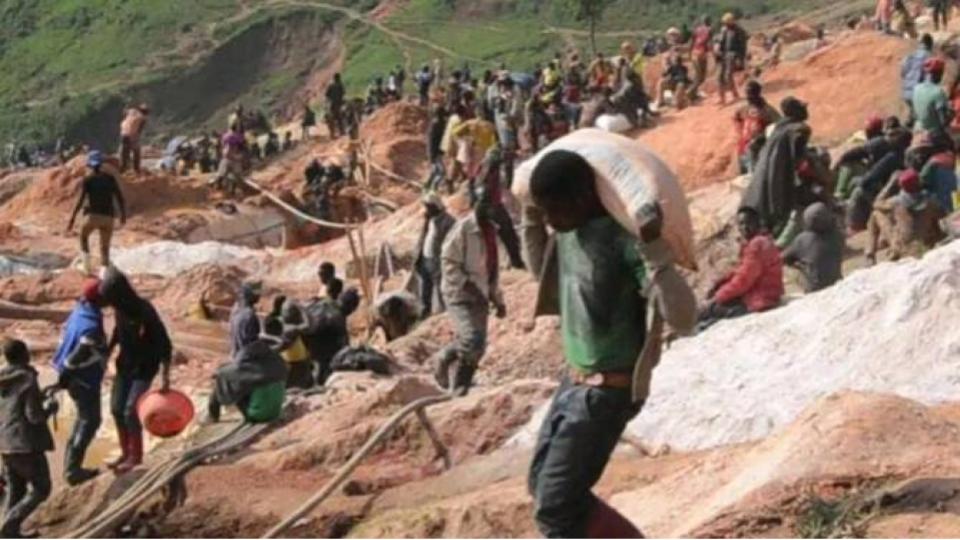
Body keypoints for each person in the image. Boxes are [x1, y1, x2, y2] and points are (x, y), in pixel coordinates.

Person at [520, 149, 696, 538]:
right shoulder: (567, 234)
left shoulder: (624, 242)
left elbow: (685, 319)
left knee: (557, 507)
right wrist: (531, 221)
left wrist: (655, 253)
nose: (549, 218)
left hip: (607, 394)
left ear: (581, 198)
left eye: (553, 210)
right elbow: (541, 275)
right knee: (544, 489)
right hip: (574, 384)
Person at [434, 188, 508, 396]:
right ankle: (456, 380)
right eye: (484, 204)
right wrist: (466, 284)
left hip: (481, 293)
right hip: (459, 293)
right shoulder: (463, 229)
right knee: (470, 339)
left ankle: (461, 377)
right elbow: (448, 260)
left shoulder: (492, 232)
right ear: (476, 205)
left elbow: (492, 269)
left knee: (479, 346)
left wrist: (497, 299)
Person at [99, 268, 172, 473]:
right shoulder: (120, 310)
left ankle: (135, 456)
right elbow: (117, 331)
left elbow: (164, 342)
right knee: (116, 408)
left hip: (145, 367)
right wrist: (108, 351)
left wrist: (166, 376)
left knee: (130, 410)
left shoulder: (145, 312)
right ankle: (125, 451)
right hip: (126, 365)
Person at [50, 279, 107, 486]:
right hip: (83, 379)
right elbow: (79, 354)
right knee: (89, 421)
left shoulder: (81, 310)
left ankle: (71, 467)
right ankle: (72, 470)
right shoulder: (91, 325)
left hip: (75, 376)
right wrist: (69, 369)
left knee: (83, 420)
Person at [0, 339, 57, 539]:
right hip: (26, 445)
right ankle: (9, 524)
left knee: (16, 489)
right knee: (42, 488)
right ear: (24, 355)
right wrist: (49, 409)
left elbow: (12, 407)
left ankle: (9, 532)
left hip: (5, 443)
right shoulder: (27, 379)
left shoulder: (3, 378)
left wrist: (38, 397)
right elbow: (34, 417)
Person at [700, 207, 784, 329]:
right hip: (767, 294)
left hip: (761, 300)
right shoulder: (763, 240)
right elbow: (742, 270)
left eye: (748, 223)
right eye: (741, 224)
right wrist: (721, 283)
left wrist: (717, 298)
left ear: (757, 222)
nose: (744, 228)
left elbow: (743, 280)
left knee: (710, 310)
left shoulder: (757, 245)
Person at [742, 96, 812, 236]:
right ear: (795, 111)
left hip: (764, 174)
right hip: (780, 177)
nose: (806, 110)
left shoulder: (777, 128)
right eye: (802, 107)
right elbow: (799, 160)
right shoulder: (800, 129)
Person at [207, 317, 288, 423]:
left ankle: (213, 416)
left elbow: (228, 371)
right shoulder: (276, 360)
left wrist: (218, 373)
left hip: (259, 415)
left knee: (228, 384)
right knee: (244, 384)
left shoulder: (247, 370)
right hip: (276, 410)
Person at [865, 168, 946, 263]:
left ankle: (870, 254)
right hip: (924, 243)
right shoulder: (930, 201)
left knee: (875, 214)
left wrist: (890, 183)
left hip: (901, 247)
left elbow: (876, 203)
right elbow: (942, 217)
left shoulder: (895, 203)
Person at [67, 151, 127, 274]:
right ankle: (104, 273)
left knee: (83, 236)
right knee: (105, 247)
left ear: (89, 164)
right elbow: (119, 197)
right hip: (108, 217)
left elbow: (81, 200)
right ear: (102, 164)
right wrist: (123, 215)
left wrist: (72, 218)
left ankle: (86, 267)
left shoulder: (88, 179)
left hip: (92, 216)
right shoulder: (110, 179)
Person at [782, 202, 844, 293]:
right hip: (837, 281)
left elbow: (783, 258)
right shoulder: (837, 234)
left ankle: (804, 290)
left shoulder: (802, 239)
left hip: (815, 288)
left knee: (785, 267)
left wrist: (798, 264)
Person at [833, 116, 900, 200]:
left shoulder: (878, 142)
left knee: (850, 169)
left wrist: (839, 161)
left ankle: (841, 196)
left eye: (868, 131)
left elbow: (857, 152)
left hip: (879, 182)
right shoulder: (891, 148)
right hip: (879, 177)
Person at [414, 192, 456, 318]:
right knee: (425, 288)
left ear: (435, 207)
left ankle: (446, 314)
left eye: (428, 207)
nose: (426, 210)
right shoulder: (429, 220)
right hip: (425, 258)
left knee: (441, 287)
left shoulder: (448, 221)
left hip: (438, 260)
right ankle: (425, 313)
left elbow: (453, 243)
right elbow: (423, 238)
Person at [733, 81, 782, 174]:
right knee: (744, 175)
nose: (748, 97)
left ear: (757, 93)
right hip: (743, 146)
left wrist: (763, 137)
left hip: (759, 148)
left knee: (755, 174)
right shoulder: (744, 108)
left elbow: (779, 125)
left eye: (750, 93)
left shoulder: (767, 110)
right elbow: (736, 117)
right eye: (747, 93)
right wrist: (740, 132)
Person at [913, 58, 955, 137]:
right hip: (934, 135)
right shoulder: (938, 92)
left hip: (918, 130)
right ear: (938, 74)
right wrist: (952, 113)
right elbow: (943, 121)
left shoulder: (916, 88)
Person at [716, 13, 748, 105]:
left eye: (727, 23)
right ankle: (721, 98)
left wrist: (740, 58)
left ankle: (735, 95)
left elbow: (743, 47)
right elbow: (720, 42)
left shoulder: (739, 31)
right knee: (719, 76)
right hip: (723, 55)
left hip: (733, 55)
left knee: (728, 75)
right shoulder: (724, 30)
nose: (725, 24)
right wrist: (718, 50)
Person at [902, 34, 934, 128]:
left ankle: (907, 127)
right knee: (920, 119)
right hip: (918, 94)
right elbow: (929, 78)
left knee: (912, 113)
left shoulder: (910, 55)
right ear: (930, 45)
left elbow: (903, 72)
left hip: (906, 92)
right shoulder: (929, 57)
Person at [212, 123, 247, 197]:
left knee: (221, 174)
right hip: (234, 157)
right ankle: (237, 191)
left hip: (226, 157)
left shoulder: (225, 136)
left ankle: (219, 189)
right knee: (237, 175)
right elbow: (243, 146)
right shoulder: (238, 136)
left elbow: (222, 145)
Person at [230, 281, 262, 359]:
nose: (259, 295)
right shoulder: (250, 315)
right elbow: (252, 343)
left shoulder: (236, 309)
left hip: (235, 355)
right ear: (250, 295)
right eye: (257, 293)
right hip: (246, 359)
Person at [688, 15, 713, 101]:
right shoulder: (709, 30)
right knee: (701, 77)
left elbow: (691, 43)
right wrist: (713, 54)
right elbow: (709, 44)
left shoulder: (696, 30)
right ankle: (690, 93)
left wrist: (689, 54)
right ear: (709, 22)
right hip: (702, 54)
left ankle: (693, 94)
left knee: (697, 76)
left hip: (695, 53)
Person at [119, 104, 149, 174]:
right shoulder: (143, 118)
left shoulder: (131, 111)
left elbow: (124, 112)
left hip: (123, 134)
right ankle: (136, 170)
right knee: (136, 152)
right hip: (132, 135)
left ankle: (122, 170)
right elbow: (139, 130)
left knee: (124, 153)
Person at [426, 102, 449, 191]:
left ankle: (427, 187)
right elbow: (432, 141)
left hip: (435, 152)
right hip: (435, 152)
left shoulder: (436, 123)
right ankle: (433, 189)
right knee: (441, 172)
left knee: (435, 171)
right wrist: (433, 155)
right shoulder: (437, 124)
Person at [326, 74, 346, 138]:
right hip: (339, 104)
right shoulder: (340, 85)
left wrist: (331, 99)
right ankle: (342, 131)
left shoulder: (331, 86)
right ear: (339, 78)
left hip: (332, 105)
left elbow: (327, 95)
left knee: (331, 119)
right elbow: (343, 93)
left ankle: (332, 133)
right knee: (340, 118)